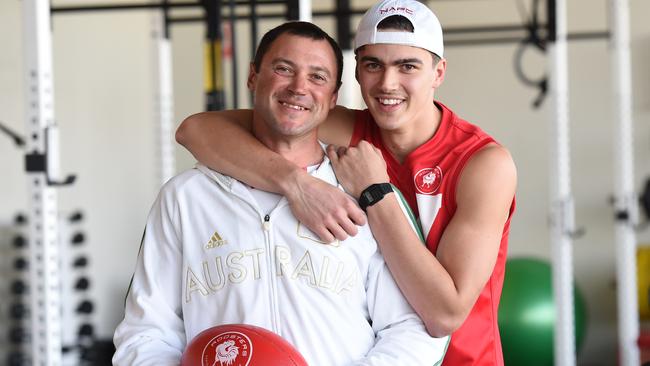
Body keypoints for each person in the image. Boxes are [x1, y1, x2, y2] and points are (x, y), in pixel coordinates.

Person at [175, 0, 517, 365]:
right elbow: (195, 130)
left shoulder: (483, 164)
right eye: (373, 65)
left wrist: (376, 193)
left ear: (438, 72)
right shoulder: (345, 129)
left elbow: (445, 315)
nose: (388, 83)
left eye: (408, 66)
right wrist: (296, 184)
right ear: (356, 72)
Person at [113, 21, 448, 366]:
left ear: (334, 97)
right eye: (283, 69)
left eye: (317, 77)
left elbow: (412, 328)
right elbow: (146, 332)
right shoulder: (185, 198)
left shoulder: (363, 191)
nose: (299, 87)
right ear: (253, 77)